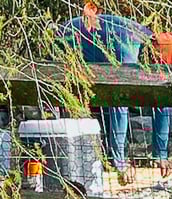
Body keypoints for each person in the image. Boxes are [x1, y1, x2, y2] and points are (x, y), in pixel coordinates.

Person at [61, 6, 144, 181]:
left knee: (107, 102)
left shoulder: (133, 39)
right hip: (71, 41)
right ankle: (111, 160)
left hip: (82, 40)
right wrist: (120, 161)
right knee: (113, 101)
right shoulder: (130, 46)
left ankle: (106, 155)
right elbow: (119, 100)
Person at [149, 29, 172, 174]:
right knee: (163, 107)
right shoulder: (171, 41)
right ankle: (160, 155)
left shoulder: (164, 40)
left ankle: (159, 154)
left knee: (161, 108)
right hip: (166, 75)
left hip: (157, 73)